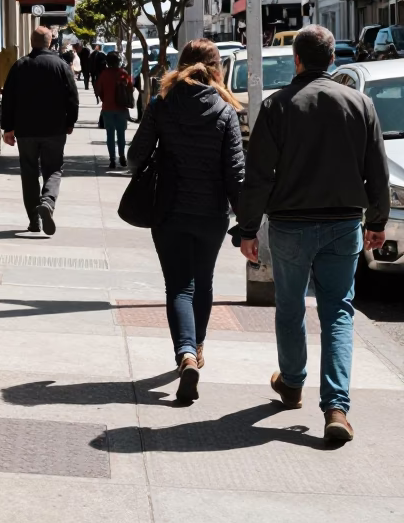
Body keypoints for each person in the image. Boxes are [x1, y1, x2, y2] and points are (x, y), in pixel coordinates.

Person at [237, 25, 389, 444]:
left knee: (290, 307)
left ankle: (291, 383)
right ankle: (337, 407)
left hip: (289, 223)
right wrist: (377, 220)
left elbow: (258, 175)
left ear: (297, 60)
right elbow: (375, 167)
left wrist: (247, 229)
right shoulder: (359, 103)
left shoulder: (277, 106)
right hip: (343, 224)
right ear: (333, 60)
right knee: (338, 312)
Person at [127, 39, 245, 402]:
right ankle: (198, 347)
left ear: (182, 64)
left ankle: (186, 354)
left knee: (179, 286)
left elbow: (135, 157)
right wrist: (246, 220)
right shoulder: (225, 110)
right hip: (211, 214)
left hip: (169, 209)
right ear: (216, 68)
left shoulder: (163, 104)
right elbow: (236, 174)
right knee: (204, 283)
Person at [1, 24, 79, 235]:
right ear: (51, 42)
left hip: (26, 130)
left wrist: (8, 128)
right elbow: (72, 96)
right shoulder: (61, 65)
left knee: (28, 173)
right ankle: (47, 202)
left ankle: (34, 221)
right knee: (53, 169)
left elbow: (8, 99)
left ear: (31, 42)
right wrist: (70, 122)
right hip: (54, 128)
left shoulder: (19, 66)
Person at [95, 52, 133, 166]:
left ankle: (112, 159)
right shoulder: (123, 73)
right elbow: (130, 88)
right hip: (121, 108)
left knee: (110, 134)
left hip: (107, 108)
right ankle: (122, 156)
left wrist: (105, 99)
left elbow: (99, 91)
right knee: (121, 134)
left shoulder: (104, 74)